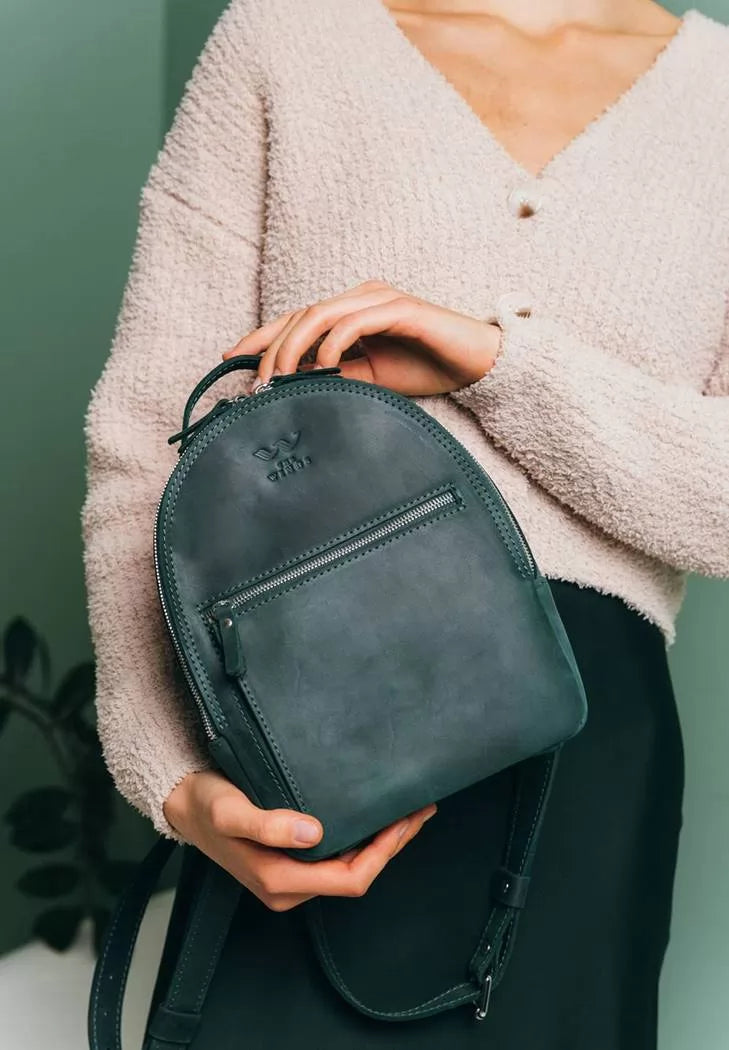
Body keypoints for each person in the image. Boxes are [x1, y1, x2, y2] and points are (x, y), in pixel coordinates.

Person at [82, 0, 729, 1046]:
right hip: (306, 747)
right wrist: (176, 780)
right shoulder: (285, 39)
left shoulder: (718, 97)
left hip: (589, 778)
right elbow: (144, 444)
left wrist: (499, 367)